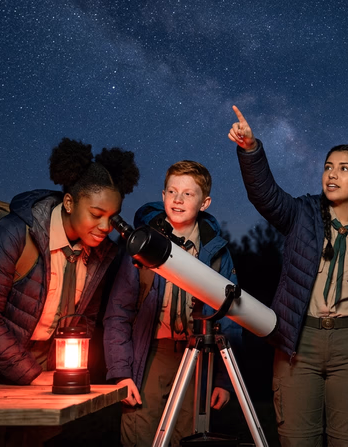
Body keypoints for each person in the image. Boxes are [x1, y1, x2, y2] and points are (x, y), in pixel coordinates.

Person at [228, 106, 348, 446]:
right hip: (299, 342)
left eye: (343, 169)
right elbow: (265, 195)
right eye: (328, 167)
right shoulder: (302, 214)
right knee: (297, 438)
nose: (331, 174)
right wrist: (250, 150)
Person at [0, 137, 140, 385]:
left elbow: (85, 322)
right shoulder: (15, 233)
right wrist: (32, 375)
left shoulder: (100, 255)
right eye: (96, 214)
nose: (106, 227)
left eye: (113, 217)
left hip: (43, 372)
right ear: (69, 203)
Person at [103, 160, 242, 447]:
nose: (178, 200)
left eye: (188, 194)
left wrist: (223, 380)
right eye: (172, 191)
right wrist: (121, 373)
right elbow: (118, 313)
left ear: (205, 202)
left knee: (188, 438)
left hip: (197, 357)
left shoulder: (216, 253)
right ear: (163, 194)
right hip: (151, 352)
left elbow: (231, 320)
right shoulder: (142, 243)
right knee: (140, 432)